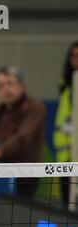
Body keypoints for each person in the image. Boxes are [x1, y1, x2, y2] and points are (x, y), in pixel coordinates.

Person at [0, 66, 46, 199]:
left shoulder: (35, 107)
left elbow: (23, 137)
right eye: (1, 85)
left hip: (25, 175)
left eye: (10, 83)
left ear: (22, 86)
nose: (6, 89)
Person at [53, 41, 78, 208]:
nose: (76, 59)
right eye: (73, 56)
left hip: (76, 157)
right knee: (66, 208)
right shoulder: (66, 84)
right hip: (64, 158)